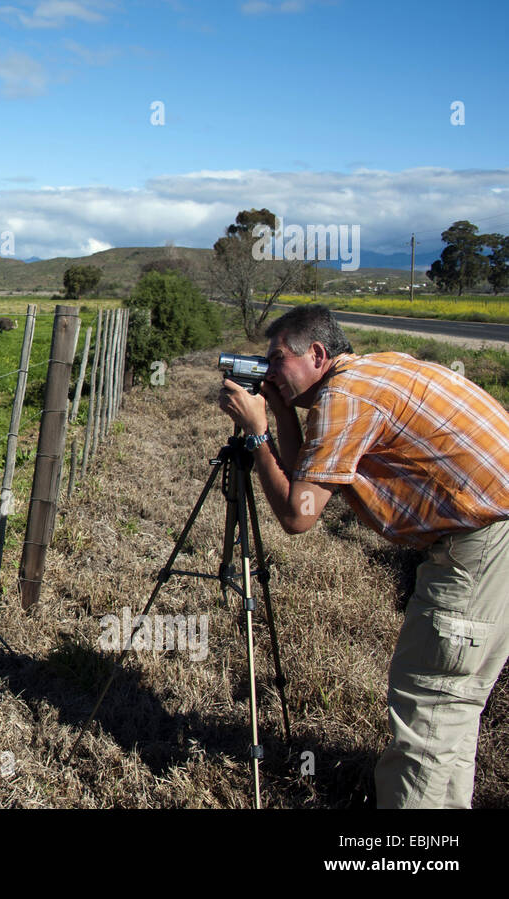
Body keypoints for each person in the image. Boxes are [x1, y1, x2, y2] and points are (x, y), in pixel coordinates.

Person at [218, 304, 509, 808]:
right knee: (452, 714)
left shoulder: (344, 398)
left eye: (276, 360)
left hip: (480, 545)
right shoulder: (370, 370)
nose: (268, 371)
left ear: (317, 353)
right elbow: (305, 473)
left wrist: (258, 433)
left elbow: (298, 513)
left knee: (429, 711)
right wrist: (283, 412)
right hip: (490, 537)